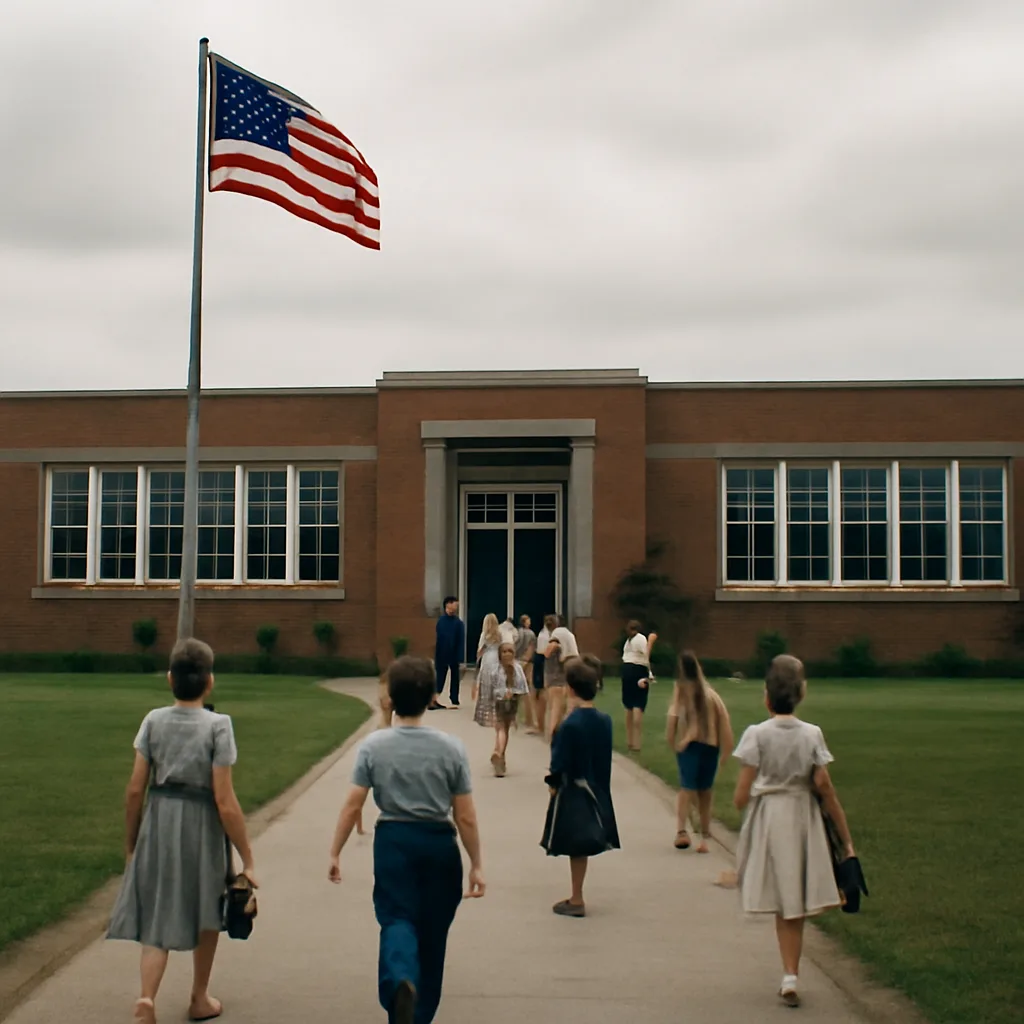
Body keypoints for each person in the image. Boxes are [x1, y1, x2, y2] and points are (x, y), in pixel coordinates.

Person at [107, 638, 258, 1024]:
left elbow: (135, 787)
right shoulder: (218, 726)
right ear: (209, 682)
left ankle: (146, 997)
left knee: (159, 913)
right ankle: (199, 997)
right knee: (209, 908)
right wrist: (247, 856)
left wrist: (131, 842)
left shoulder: (153, 721)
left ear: (169, 678)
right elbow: (225, 800)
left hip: (159, 821)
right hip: (201, 823)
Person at [329, 655, 486, 1024]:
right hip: (438, 842)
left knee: (397, 917)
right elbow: (464, 814)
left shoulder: (374, 747)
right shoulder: (451, 748)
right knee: (433, 933)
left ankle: (399, 978)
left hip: (394, 840)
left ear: (390, 699)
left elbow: (353, 803)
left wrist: (335, 851)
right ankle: (419, 1012)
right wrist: (476, 862)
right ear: (432, 695)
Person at [733, 655, 856, 1009]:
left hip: (770, 815)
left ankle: (788, 975)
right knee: (795, 901)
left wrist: (755, 791)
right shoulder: (812, 734)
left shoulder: (757, 734)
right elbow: (823, 785)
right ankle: (791, 973)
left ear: (766, 696)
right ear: (801, 694)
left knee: (780, 895)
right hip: (802, 815)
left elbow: (741, 796)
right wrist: (844, 837)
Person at [542, 655, 619, 917]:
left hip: (573, 789)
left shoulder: (570, 725)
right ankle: (577, 894)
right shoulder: (604, 720)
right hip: (596, 786)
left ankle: (577, 898)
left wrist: (553, 786)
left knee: (575, 844)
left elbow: (559, 761)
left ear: (570, 688)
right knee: (581, 844)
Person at [666, 651, 733, 852]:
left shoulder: (682, 690)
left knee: (687, 788)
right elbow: (724, 720)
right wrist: (726, 750)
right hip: (711, 746)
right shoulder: (710, 694)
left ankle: (681, 831)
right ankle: (705, 834)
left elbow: (673, 716)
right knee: (705, 791)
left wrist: (673, 741)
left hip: (690, 747)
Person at [491, 641, 530, 776]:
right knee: (504, 729)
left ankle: (498, 753)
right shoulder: (518, 668)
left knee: (500, 728)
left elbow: (491, 687)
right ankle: (500, 755)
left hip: (500, 701)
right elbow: (523, 687)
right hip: (512, 701)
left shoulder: (495, 668)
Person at [620, 620, 658, 754]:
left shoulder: (628, 642)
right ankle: (636, 743)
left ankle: (629, 740)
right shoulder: (641, 639)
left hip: (626, 670)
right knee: (638, 703)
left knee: (628, 705)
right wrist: (651, 641)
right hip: (638, 670)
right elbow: (645, 655)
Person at [543, 616, 580, 743]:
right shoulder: (570, 634)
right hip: (573, 667)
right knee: (569, 705)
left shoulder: (557, 633)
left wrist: (549, 652)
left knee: (555, 707)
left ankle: (553, 735)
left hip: (559, 673)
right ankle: (566, 733)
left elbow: (549, 649)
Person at [472, 613, 503, 746]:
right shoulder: (499, 635)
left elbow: (480, 651)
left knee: (485, 684)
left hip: (487, 660)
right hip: (497, 659)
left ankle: (486, 707)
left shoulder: (484, 635)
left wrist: (477, 660)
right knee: (496, 684)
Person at [433, 596, 465, 709]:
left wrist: (461, 658)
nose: (456, 607)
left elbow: (461, 641)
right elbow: (439, 638)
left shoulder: (458, 623)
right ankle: (434, 698)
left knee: (455, 677)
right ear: (448, 605)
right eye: (455, 604)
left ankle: (454, 698)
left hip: (454, 654)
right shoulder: (441, 621)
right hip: (442, 653)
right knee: (440, 676)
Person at [514, 614, 539, 733]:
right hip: (527, 662)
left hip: (516, 661)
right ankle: (529, 719)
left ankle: (514, 716)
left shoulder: (516, 632)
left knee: (515, 688)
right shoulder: (531, 634)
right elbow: (532, 648)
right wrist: (527, 659)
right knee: (528, 690)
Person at [533, 615, 553, 738]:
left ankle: (541, 725)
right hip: (542, 660)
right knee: (540, 693)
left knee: (540, 694)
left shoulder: (545, 635)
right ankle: (541, 725)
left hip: (541, 659)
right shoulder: (548, 635)